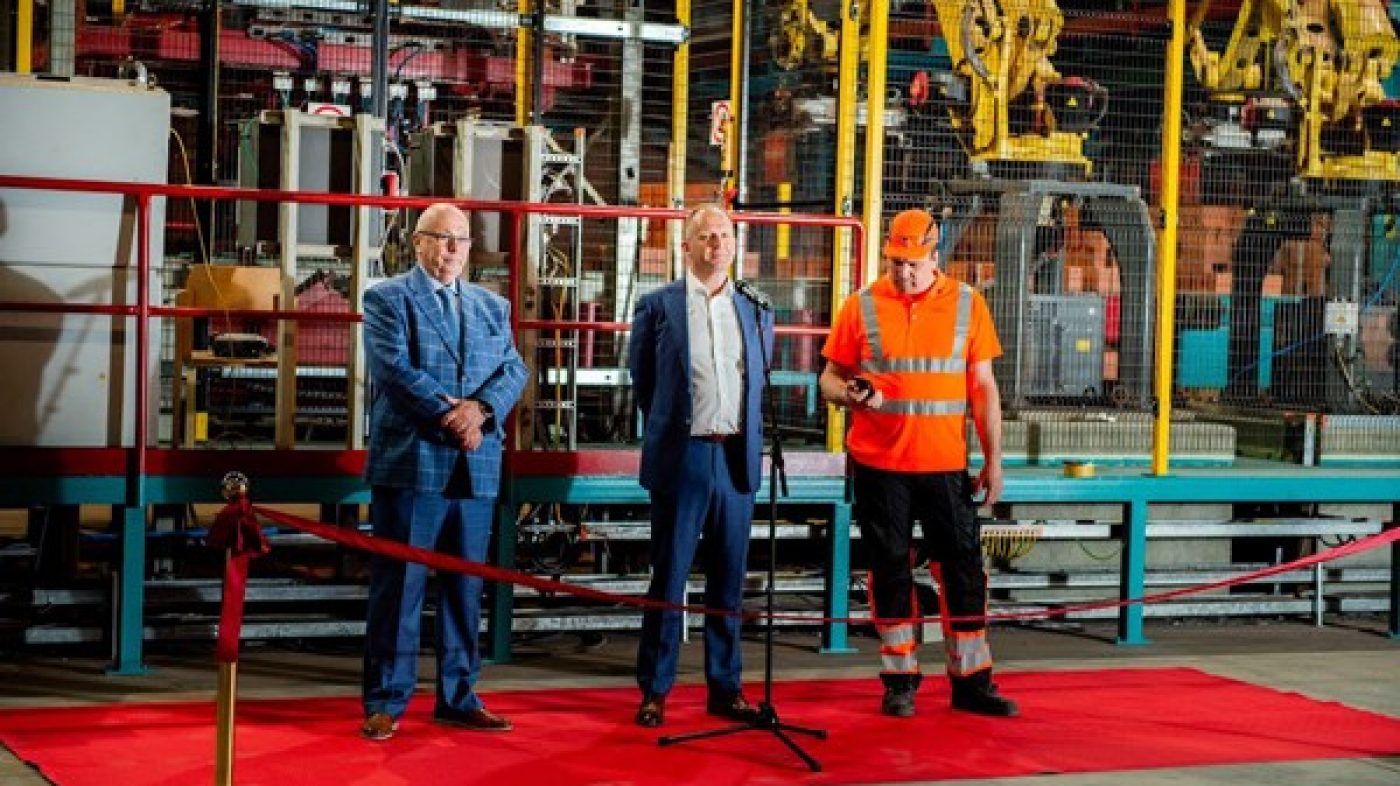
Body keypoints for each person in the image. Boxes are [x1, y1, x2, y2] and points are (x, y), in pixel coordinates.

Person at [819, 208, 1018, 719]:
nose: (902, 272)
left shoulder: (968, 305)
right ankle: (899, 679)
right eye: (894, 261)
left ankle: (972, 681)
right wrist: (850, 394)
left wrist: (994, 461)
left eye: (912, 262)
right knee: (889, 571)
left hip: (945, 466)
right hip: (879, 466)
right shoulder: (860, 306)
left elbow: (983, 388)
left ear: (935, 253)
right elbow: (828, 380)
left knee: (964, 571)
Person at [359, 203, 528, 741]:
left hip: (474, 465)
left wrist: (480, 411)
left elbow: (513, 367)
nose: (453, 249)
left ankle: (458, 696)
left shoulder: (491, 306)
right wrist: (451, 415)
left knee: (464, 591)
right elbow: (392, 368)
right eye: (442, 238)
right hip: (414, 462)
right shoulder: (386, 298)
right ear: (417, 242)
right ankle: (386, 701)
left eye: (461, 240)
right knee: (399, 589)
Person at [628, 204, 775, 728]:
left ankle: (725, 687)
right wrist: (676, 428)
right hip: (683, 457)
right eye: (705, 237)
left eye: (724, 235)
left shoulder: (756, 310)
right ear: (685, 247)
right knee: (668, 578)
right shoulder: (658, 307)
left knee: (729, 581)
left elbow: (759, 381)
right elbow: (643, 383)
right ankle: (656, 689)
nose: (716, 245)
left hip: (735, 460)